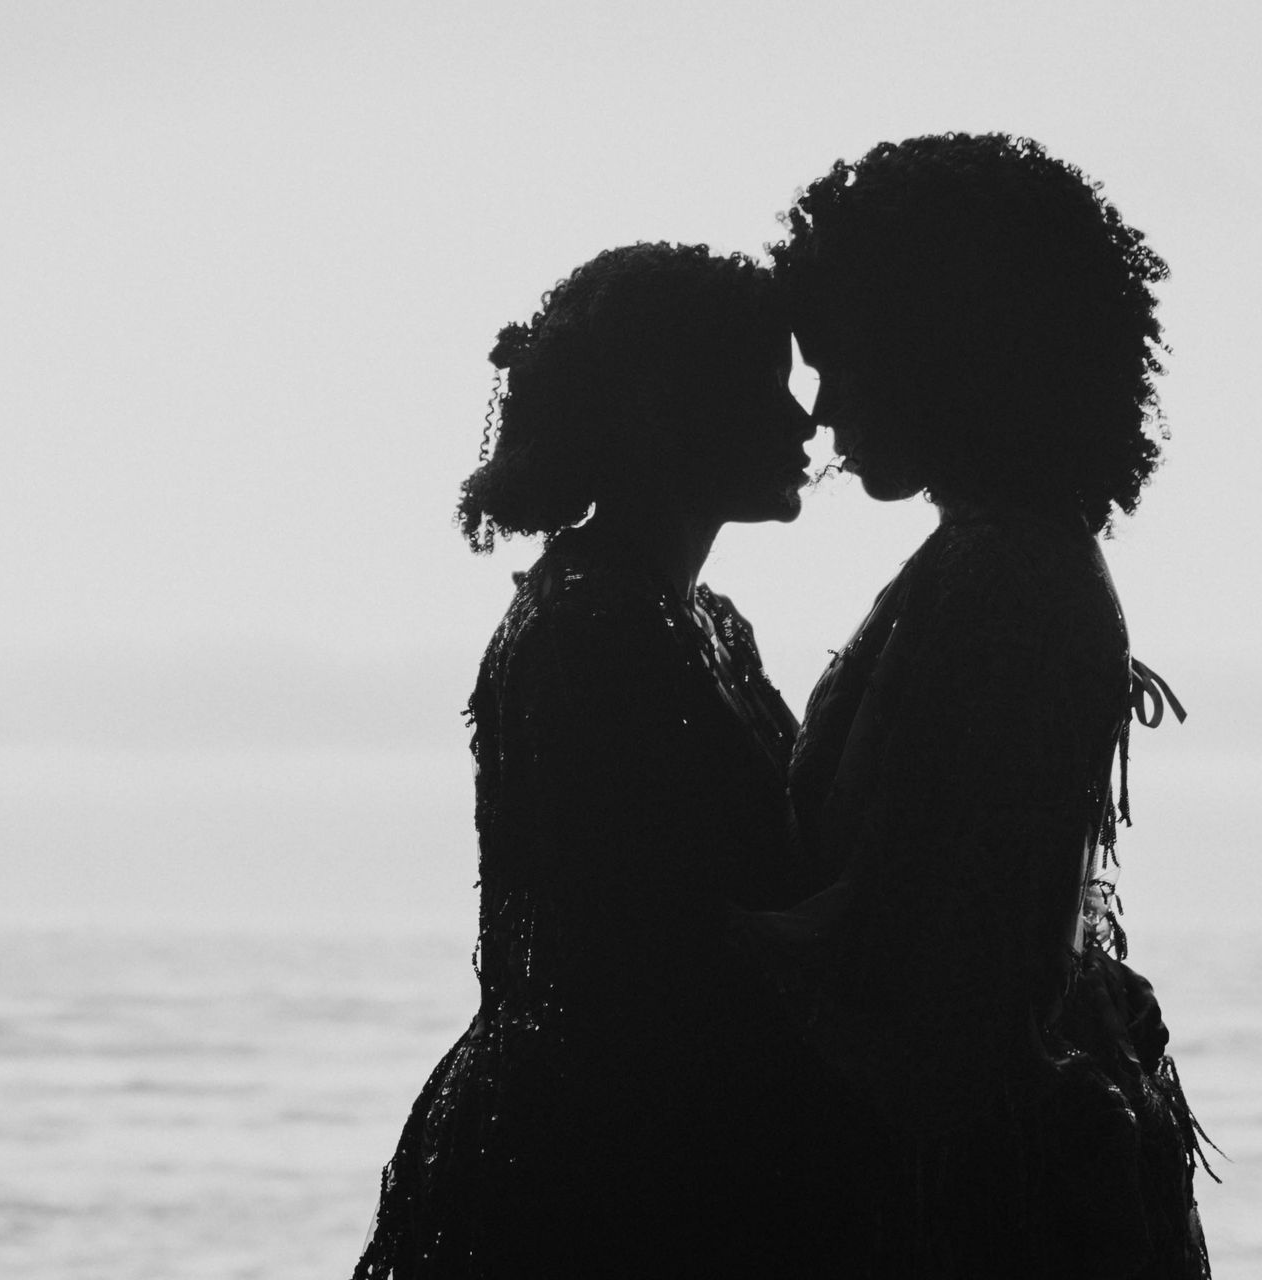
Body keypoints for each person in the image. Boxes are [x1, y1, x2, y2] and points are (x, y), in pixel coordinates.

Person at [754, 133, 1212, 1277]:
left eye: (841, 360)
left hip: (967, 1195)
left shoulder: (1006, 577)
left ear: (939, 351)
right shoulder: (1001, 553)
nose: (822, 409)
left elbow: (946, 980)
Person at [352, 242, 820, 1278]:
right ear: (662, 406)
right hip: (590, 1163)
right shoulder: (592, 630)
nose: (804, 423)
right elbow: (636, 947)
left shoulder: (699, 621)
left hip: (623, 1131)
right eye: (766, 388)